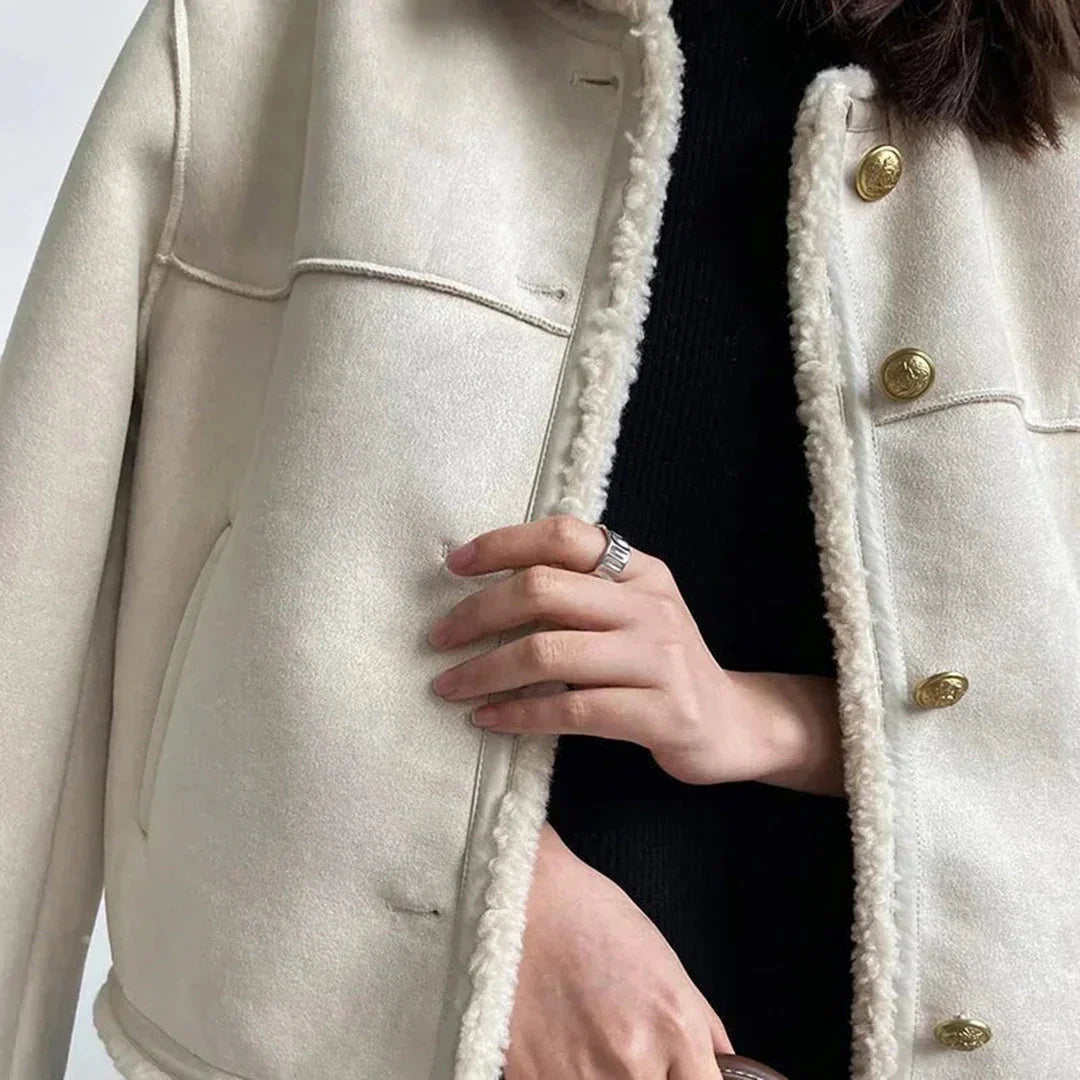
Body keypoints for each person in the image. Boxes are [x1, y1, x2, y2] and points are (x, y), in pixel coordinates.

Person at [1, 2, 1079, 1080]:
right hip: (354, 1027)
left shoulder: (1048, 88)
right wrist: (478, 903)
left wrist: (765, 717)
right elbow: (37, 572)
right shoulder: (295, 30)